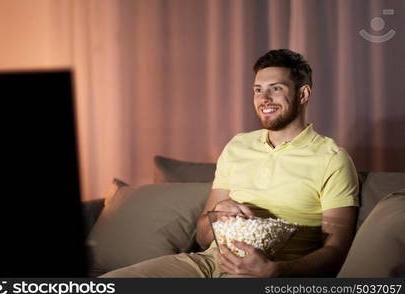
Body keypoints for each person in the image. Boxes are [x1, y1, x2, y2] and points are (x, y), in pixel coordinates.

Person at [101, 49, 359, 278]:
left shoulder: (331, 158)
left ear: (303, 94)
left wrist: (277, 271)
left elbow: (336, 251)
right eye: (258, 90)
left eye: (276, 88)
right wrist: (217, 216)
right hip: (207, 263)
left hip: (266, 274)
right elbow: (202, 236)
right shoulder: (238, 146)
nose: (264, 98)